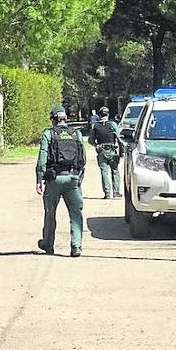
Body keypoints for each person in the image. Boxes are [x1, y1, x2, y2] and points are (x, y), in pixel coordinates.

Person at [36, 105, 86, 257]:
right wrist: (79, 178)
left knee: (50, 212)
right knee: (76, 213)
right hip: (72, 179)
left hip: (54, 179)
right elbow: (82, 159)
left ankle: (48, 244)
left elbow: (42, 158)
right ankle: (76, 245)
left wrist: (39, 178)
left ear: (53, 120)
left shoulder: (48, 134)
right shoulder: (76, 134)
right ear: (65, 119)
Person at [88, 106, 123, 199]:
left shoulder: (95, 125)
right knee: (115, 171)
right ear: (108, 114)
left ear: (99, 115)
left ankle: (107, 193)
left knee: (104, 172)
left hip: (101, 150)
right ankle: (116, 192)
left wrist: (96, 145)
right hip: (112, 150)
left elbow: (90, 140)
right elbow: (119, 138)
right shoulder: (113, 124)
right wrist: (121, 151)